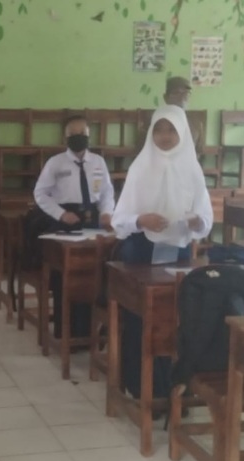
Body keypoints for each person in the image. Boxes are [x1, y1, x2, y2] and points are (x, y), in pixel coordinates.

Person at [111, 105, 213, 403]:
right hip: (141, 252)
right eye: (159, 130)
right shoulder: (141, 167)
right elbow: (119, 220)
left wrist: (196, 222)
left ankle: (174, 388)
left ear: (182, 133)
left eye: (171, 130)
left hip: (178, 253)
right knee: (141, 319)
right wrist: (141, 220)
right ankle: (142, 387)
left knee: (178, 319)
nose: (165, 136)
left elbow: (205, 219)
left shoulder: (192, 169)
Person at [33, 115, 116, 340]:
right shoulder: (56, 163)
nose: (79, 137)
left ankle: (91, 330)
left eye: (83, 134)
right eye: (73, 134)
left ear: (89, 136)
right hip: (65, 220)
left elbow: (107, 192)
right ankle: (67, 331)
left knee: (94, 270)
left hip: (92, 220)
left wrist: (107, 213)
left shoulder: (98, 162)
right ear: (65, 137)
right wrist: (61, 214)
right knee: (67, 273)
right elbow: (40, 193)